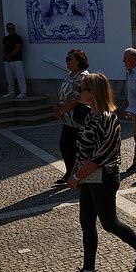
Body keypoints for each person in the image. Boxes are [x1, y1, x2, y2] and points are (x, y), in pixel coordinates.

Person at [64, 73, 136, 272]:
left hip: (104, 178)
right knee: (87, 223)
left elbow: (100, 156)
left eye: (82, 88)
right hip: (89, 177)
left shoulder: (107, 118)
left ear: (94, 92)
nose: (78, 92)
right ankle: (89, 271)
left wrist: (78, 175)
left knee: (109, 223)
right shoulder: (90, 115)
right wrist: (74, 173)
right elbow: (84, 150)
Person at [54, 49, 90, 185]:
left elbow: (76, 97)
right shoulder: (68, 75)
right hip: (68, 120)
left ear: (78, 61)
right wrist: (57, 107)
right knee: (65, 145)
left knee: (78, 148)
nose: (67, 61)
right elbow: (61, 93)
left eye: (70, 59)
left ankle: (78, 174)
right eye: (67, 58)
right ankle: (70, 172)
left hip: (78, 119)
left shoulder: (83, 76)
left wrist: (62, 111)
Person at [2, 22, 27, 98]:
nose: (12, 30)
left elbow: (18, 48)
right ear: (7, 29)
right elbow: (3, 47)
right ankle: (11, 91)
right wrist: (4, 55)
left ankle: (23, 91)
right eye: (10, 28)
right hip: (7, 60)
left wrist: (9, 55)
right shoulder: (5, 38)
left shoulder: (18, 38)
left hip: (17, 60)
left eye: (13, 28)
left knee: (20, 76)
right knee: (9, 76)